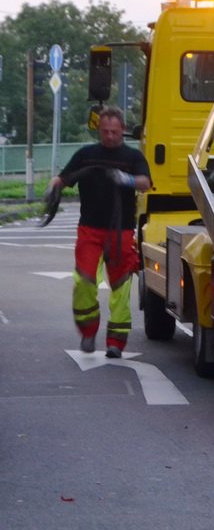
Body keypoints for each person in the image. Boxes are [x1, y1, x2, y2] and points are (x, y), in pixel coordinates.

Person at [47, 106, 152, 359]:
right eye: (105, 131)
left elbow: (145, 183)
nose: (110, 136)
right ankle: (88, 330)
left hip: (121, 232)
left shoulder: (132, 156)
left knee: (121, 287)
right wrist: (53, 186)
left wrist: (126, 179)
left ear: (123, 130)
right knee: (84, 280)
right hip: (90, 230)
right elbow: (65, 178)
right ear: (99, 131)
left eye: (115, 132)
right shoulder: (86, 155)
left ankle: (116, 341)